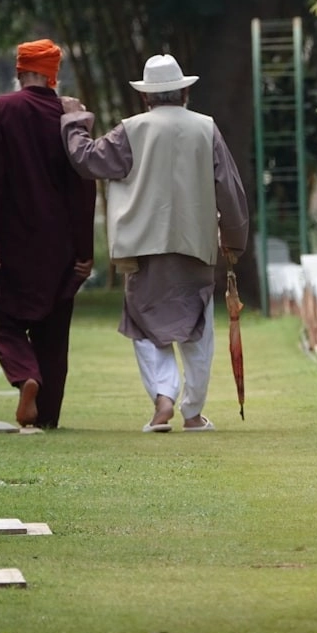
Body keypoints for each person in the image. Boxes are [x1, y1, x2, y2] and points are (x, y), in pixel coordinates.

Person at [60, 53, 249, 433]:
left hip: (142, 245)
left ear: (146, 96)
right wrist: (233, 240)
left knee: (144, 323)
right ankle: (192, 413)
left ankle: (163, 398)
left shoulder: (131, 130)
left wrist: (75, 121)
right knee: (197, 327)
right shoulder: (206, 128)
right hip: (194, 243)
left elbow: (88, 159)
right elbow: (229, 190)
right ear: (184, 92)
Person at [0, 38, 96, 429]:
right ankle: (47, 417)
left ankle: (26, 374)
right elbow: (84, 185)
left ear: (19, 70)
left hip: (12, 238)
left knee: (6, 320)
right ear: (53, 75)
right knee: (54, 331)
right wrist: (85, 249)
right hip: (61, 242)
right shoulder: (70, 117)